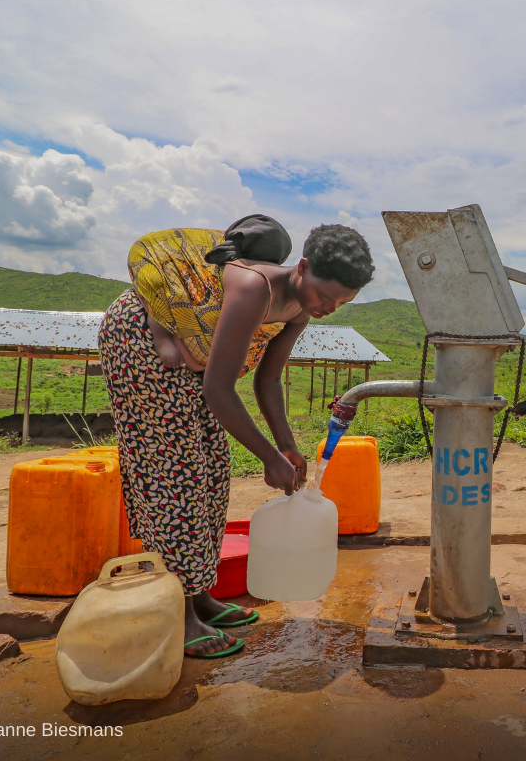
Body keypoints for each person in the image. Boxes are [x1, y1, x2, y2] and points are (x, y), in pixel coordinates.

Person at [98, 215, 374, 658]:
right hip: (140, 346)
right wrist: (268, 457)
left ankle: (201, 594)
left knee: (213, 469)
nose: (327, 308)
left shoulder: (301, 308)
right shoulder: (252, 289)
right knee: (176, 474)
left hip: (192, 365)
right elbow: (218, 389)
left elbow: (268, 380)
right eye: (324, 296)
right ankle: (179, 614)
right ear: (301, 268)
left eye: (341, 303)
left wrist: (285, 444)